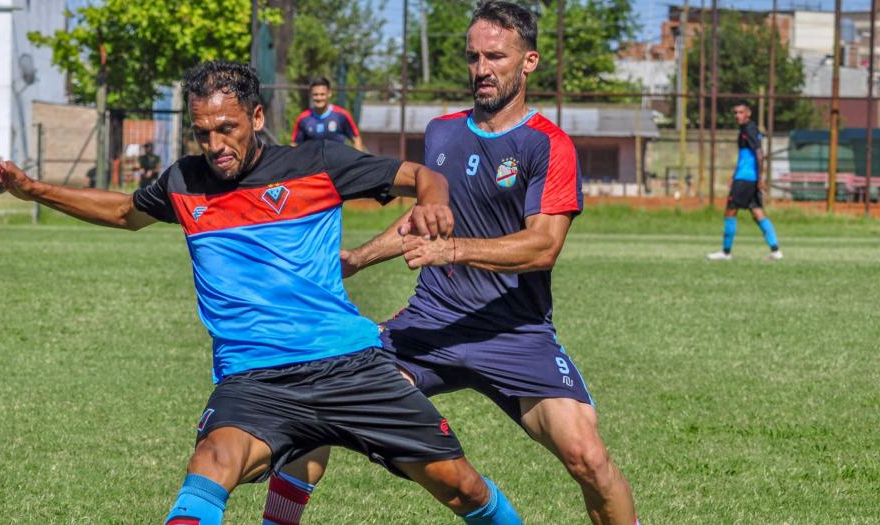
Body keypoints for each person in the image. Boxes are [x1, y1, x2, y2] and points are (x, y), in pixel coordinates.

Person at [0, 60, 524, 525]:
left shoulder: (317, 164)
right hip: (253, 379)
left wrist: (433, 202)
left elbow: (421, 175)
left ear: (257, 118)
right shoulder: (183, 182)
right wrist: (29, 189)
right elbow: (124, 213)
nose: (215, 145)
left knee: (463, 489)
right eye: (203, 133)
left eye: (227, 128)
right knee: (210, 464)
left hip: (349, 365)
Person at [263, 3, 639, 525]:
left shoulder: (548, 145)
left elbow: (542, 246)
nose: (481, 68)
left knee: (589, 459)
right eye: (473, 57)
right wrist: (358, 259)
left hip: (516, 331)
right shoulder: (442, 133)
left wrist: (454, 250)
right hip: (429, 324)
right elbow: (424, 216)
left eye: (495, 56)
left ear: (528, 62)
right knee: (328, 404)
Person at [707, 102, 782, 261]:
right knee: (757, 212)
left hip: (746, 179)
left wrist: (760, 178)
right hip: (745, 177)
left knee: (730, 211)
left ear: (748, 113)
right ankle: (776, 251)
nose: (737, 116)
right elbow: (744, 157)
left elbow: (760, 154)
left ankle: (726, 252)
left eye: (741, 112)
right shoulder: (746, 129)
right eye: (735, 112)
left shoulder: (749, 129)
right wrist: (734, 175)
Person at [290, 77, 365, 151]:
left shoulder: (341, 115)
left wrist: (356, 161)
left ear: (329, 94)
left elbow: (356, 138)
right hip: (312, 162)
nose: (319, 98)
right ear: (311, 95)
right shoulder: (303, 118)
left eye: (322, 94)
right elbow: (294, 144)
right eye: (315, 94)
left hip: (337, 162)